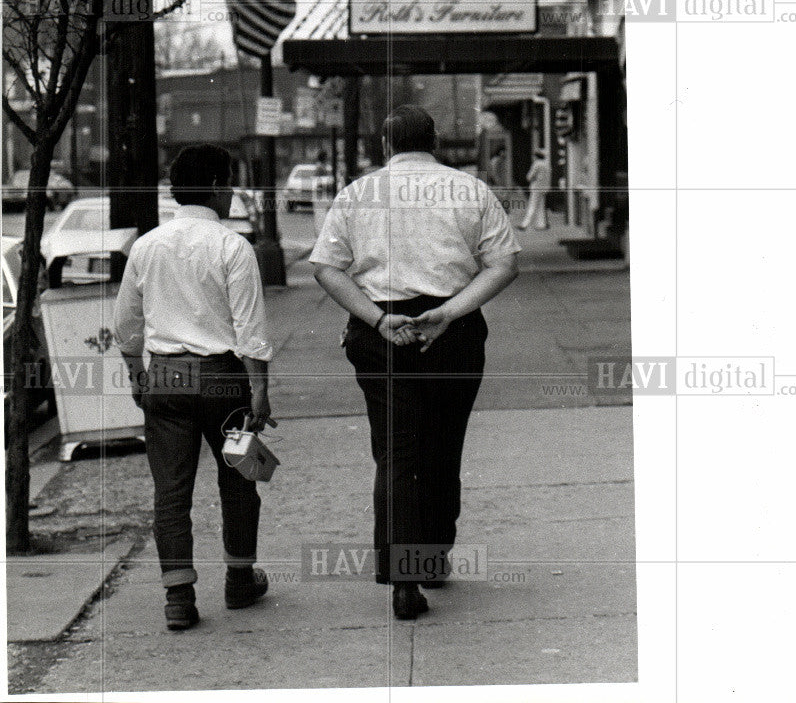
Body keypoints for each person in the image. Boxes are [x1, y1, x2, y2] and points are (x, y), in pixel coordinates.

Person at [310, 105, 519, 620]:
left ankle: (404, 580)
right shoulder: (470, 190)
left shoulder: (357, 195)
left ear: (385, 144)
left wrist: (377, 319)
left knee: (397, 454)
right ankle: (432, 557)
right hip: (453, 331)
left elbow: (327, 269)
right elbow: (505, 264)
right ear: (435, 142)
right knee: (444, 450)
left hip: (380, 333)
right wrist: (447, 313)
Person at [113, 144, 273, 632]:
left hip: (165, 376)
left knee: (171, 491)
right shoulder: (232, 247)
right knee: (240, 479)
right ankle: (239, 582)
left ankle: (179, 598)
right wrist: (260, 391)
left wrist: (139, 378)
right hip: (224, 380)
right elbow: (250, 331)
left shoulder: (146, 246)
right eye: (230, 183)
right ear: (219, 188)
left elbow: (126, 326)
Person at [518, 150, 551, 231]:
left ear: (536, 156)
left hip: (536, 187)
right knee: (541, 206)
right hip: (544, 188)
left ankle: (525, 224)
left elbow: (529, 176)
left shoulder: (536, 164)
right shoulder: (547, 164)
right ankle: (541, 224)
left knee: (532, 205)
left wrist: (530, 178)